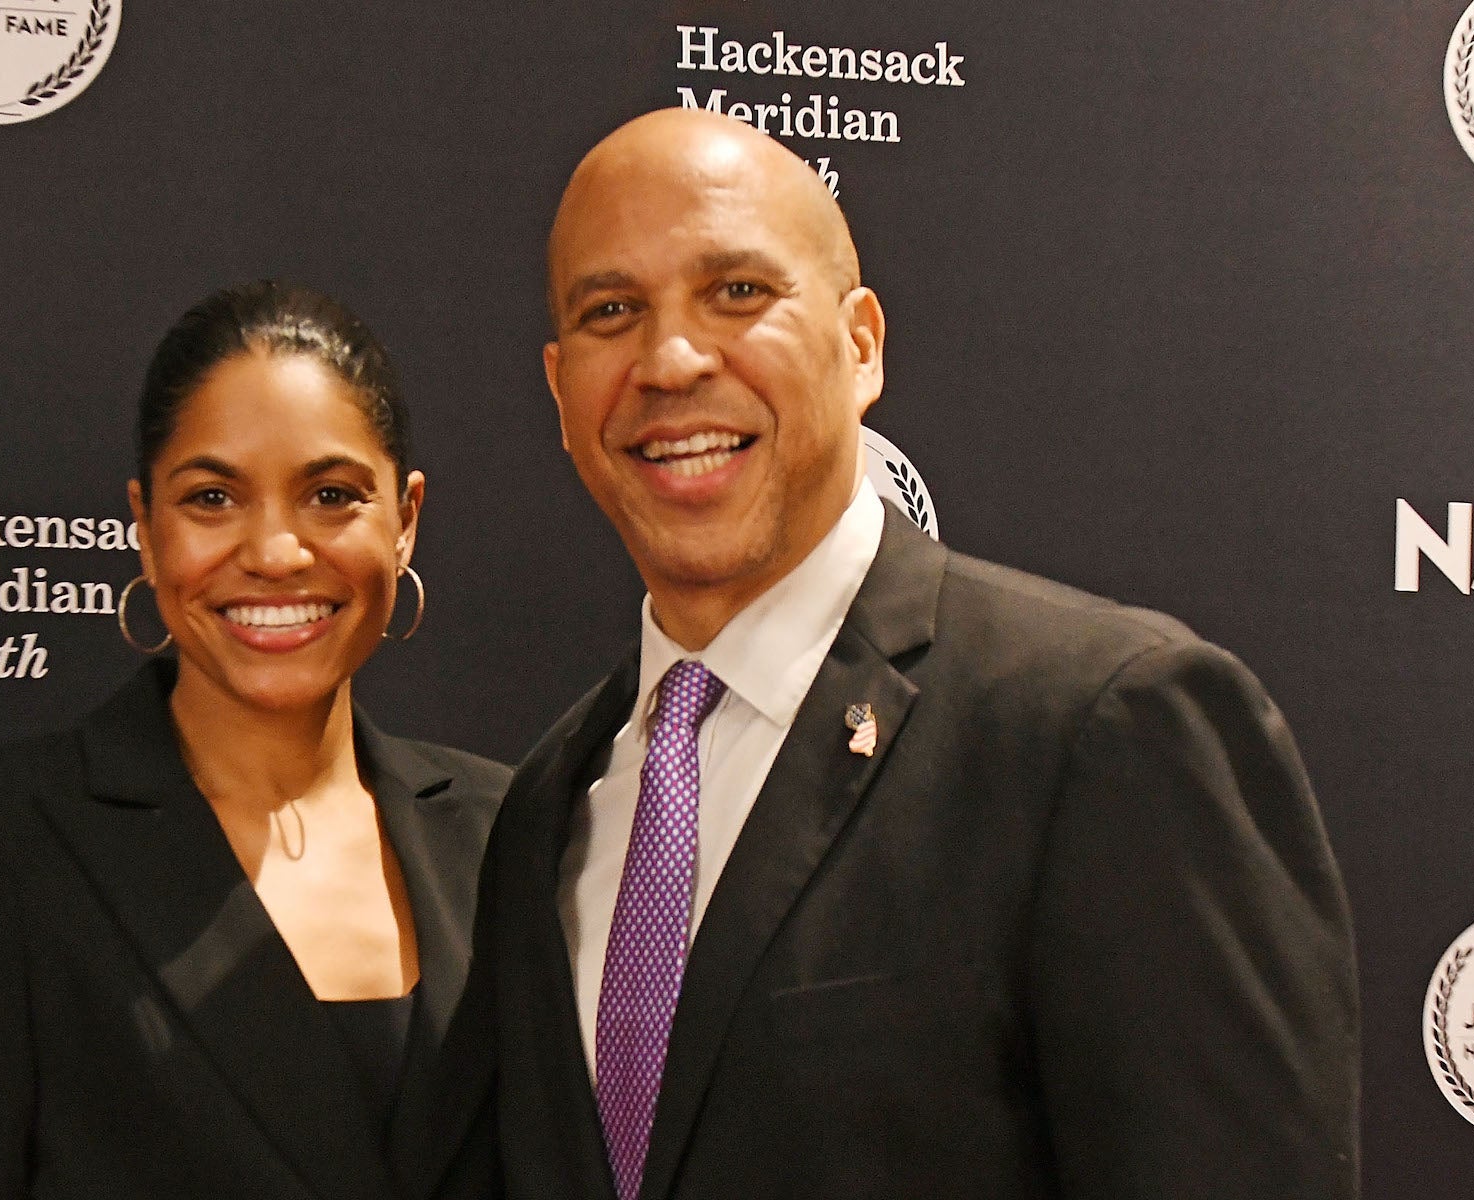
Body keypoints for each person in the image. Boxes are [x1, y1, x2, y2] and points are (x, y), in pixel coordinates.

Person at [473, 109, 1360, 1200]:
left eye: (738, 293)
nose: (671, 359)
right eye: (613, 311)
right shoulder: (545, 808)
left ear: (861, 345)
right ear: (561, 392)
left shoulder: (1103, 729)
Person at [0, 281, 507, 1200]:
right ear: (145, 526)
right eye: (212, 498)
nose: (276, 552)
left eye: (331, 494)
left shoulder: (507, 832)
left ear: (405, 520)